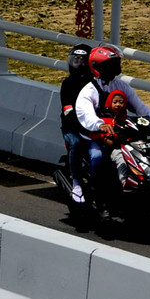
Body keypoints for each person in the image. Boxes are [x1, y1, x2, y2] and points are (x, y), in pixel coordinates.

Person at [74, 45, 150, 201]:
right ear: (98, 67)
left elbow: (140, 107)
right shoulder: (89, 90)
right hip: (98, 135)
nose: (115, 68)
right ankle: (96, 195)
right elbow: (86, 114)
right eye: (110, 65)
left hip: (121, 133)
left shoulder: (121, 86)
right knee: (97, 157)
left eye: (116, 64)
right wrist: (100, 124)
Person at [59, 43, 94, 204]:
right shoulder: (67, 84)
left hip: (94, 126)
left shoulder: (95, 83)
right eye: (76, 59)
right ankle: (77, 182)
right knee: (77, 143)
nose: (78, 63)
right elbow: (68, 110)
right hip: (72, 127)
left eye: (82, 60)